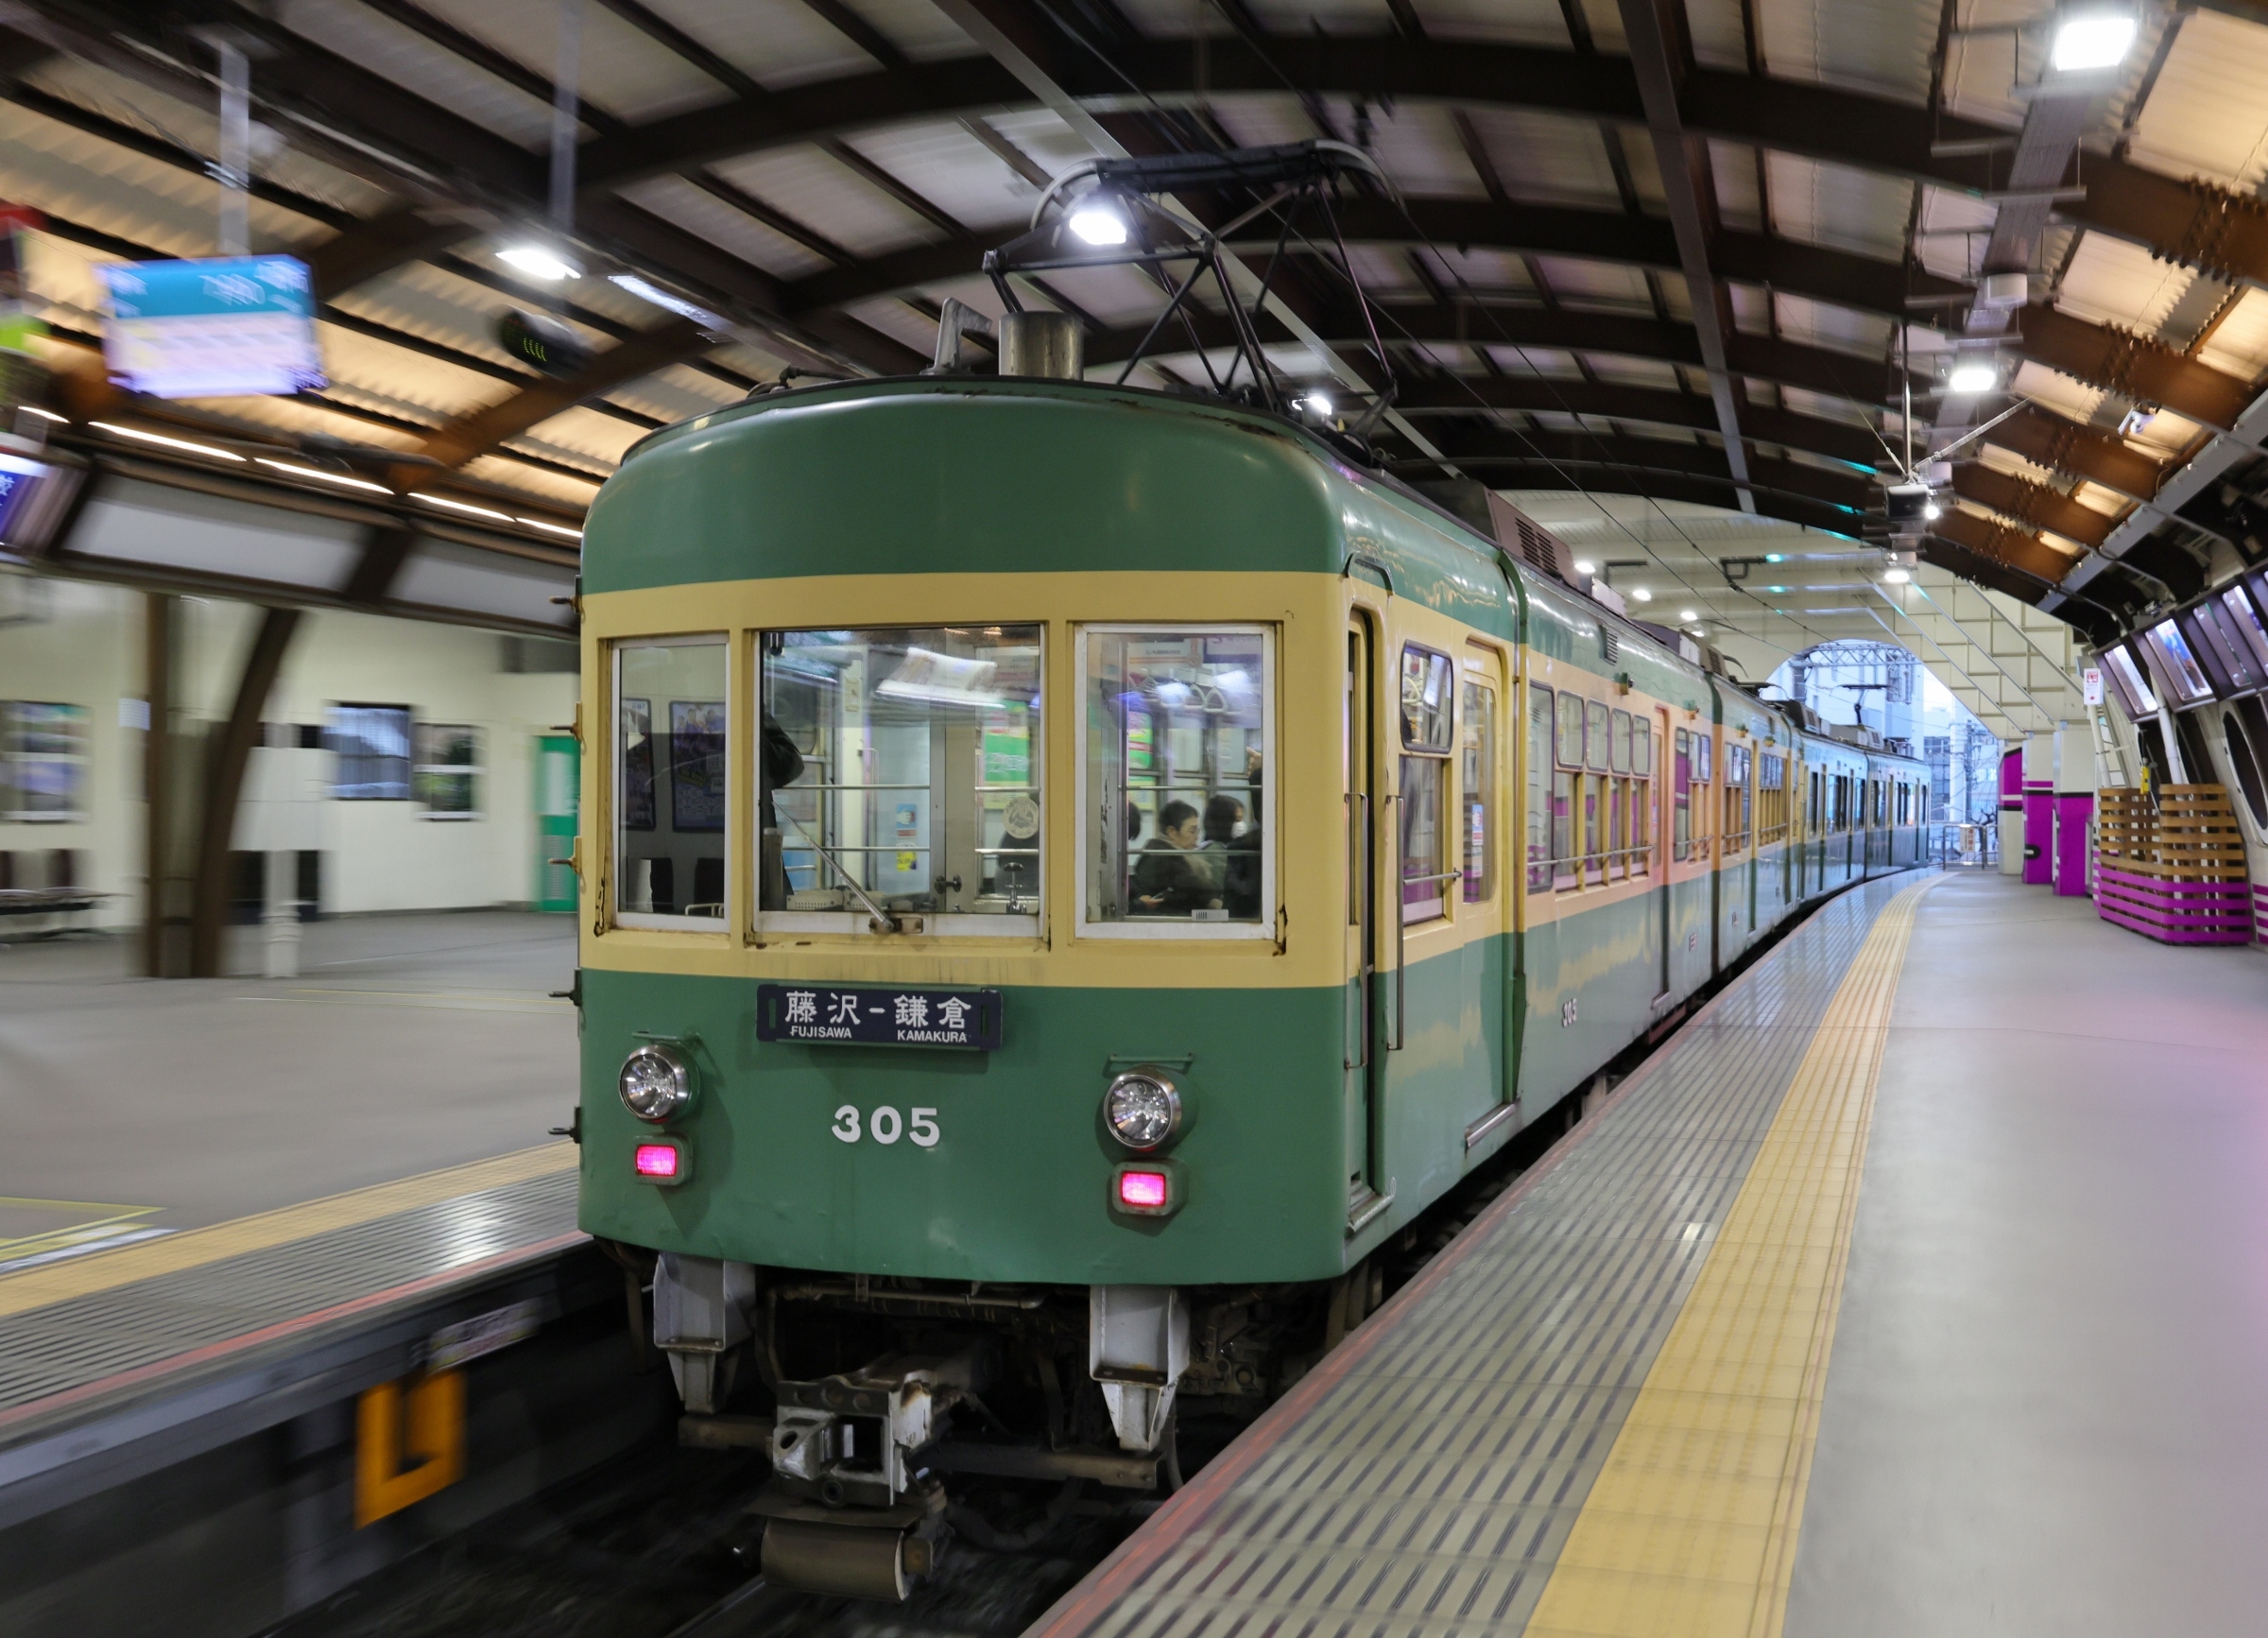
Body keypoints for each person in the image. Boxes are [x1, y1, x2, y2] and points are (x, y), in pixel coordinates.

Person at [1131, 800, 1221, 914]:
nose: (1196, 837)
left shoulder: (1172, 854)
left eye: (1197, 831)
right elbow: (1198, 888)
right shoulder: (1162, 857)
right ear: (1172, 832)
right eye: (1192, 831)